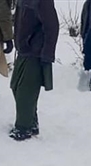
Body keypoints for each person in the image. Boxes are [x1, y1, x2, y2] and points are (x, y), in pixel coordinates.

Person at [9, 0, 59, 141]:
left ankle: (23, 128)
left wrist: (47, 54)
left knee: (26, 91)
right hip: (23, 50)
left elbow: (52, 27)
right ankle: (31, 122)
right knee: (15, 86)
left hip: (35, 52)